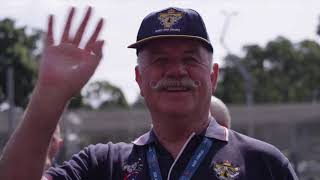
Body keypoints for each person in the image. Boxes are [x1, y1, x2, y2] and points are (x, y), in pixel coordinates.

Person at [0, 6, 298, 180]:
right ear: (140, 79)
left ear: (213, 75)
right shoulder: (104, 165)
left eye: (190, 59)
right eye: (160, 61)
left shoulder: (263, 163)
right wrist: (49, 95)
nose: (176, 71)